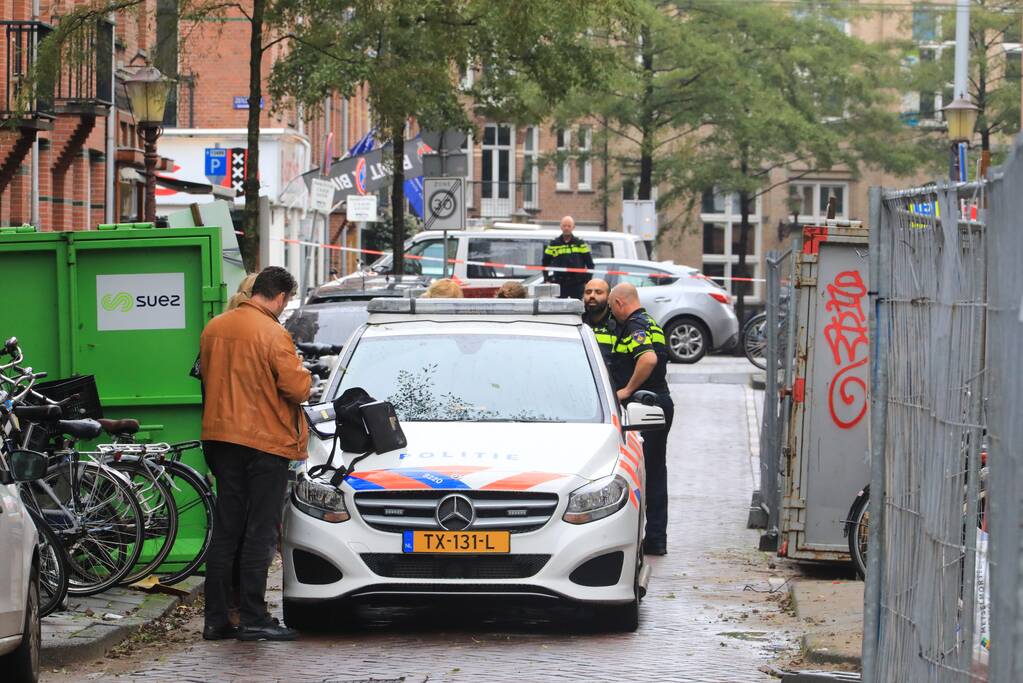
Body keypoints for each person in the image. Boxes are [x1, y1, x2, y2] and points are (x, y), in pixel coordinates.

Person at [199, 266, 311, 642]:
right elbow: (297, 389)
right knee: (260, 532)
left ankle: (216, 618)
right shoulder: (272, 332)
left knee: (227, 531)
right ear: (280, 297)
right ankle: (253, 615)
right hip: (262, 441)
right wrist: (305, 373)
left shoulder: (215, 327)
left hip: (219, 438)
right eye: (287, 301)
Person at [608, 282, 674, 556]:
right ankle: (656, 538)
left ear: (620, 304)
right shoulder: (652, 323)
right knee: (656, 470)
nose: (612, 313)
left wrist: (626, 390)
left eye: (612, 307)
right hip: (660, 401)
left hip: (646, 402)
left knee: (640, 472)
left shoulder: (634, 326)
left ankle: (644, 538)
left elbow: (647, 359)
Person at [542, 215, 594, 300]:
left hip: (577, 284)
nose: (566, 228)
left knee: (578, 309)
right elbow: (545, 263)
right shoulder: (554, 244)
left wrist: (587, 282)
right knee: (560, 309)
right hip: (560, 283)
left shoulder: (580, 243)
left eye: (569, 226)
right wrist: (546, 279)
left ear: (573, 227)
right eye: (564, 225)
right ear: (560, 227)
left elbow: (590, 264)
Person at [582, 279, 618, 370]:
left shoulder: (619, 324)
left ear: (609, 297)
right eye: (588, 292)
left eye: (598, 292)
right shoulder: (576, 322)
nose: (592, 296)